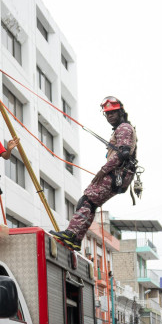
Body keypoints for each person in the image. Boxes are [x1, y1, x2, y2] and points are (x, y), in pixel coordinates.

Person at [51, 97, 138, 251]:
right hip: (120, 175)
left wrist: (103, 170)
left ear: (121, 112)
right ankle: (76, 239)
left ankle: (72, 234)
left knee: (87, 200)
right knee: (91, 203)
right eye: (107, 114)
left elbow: (124, 153)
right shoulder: (124, 128)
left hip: (116, 174)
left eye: (113, 113)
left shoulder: (124, 128)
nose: (110, 116)